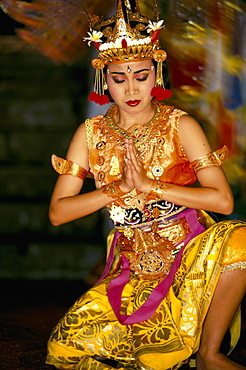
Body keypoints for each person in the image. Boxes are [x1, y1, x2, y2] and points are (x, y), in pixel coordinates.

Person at [46, 1, 246, 369]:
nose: (131, 89)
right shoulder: (90, 135)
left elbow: (223, 201)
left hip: (189, 256)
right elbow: (58, 213)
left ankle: (209, 352)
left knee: (240, 238)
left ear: (157, 73)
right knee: (66, 349)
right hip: (132, 267)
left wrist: (153, 187)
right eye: (119, 79)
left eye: (141, 75)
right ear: (104, 79)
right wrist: (117, 188)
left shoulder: (181, 125)